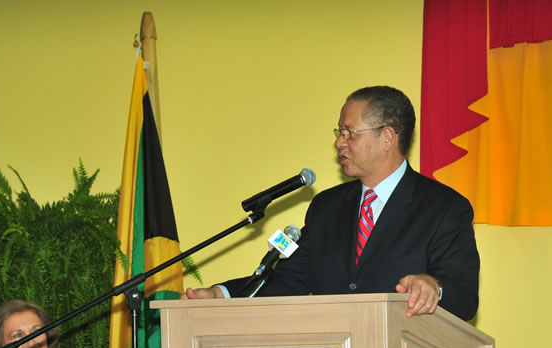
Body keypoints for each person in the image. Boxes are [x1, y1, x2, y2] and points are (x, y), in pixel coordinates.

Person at [184, 86, 480, 321]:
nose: (340, 142)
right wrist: (221, 295)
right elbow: (288, 280)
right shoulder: (326, 208)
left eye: (350, 133)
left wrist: (434, 288)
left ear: (388, 136)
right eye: (340, 133)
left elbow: (465, 297)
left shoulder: (444, 209)